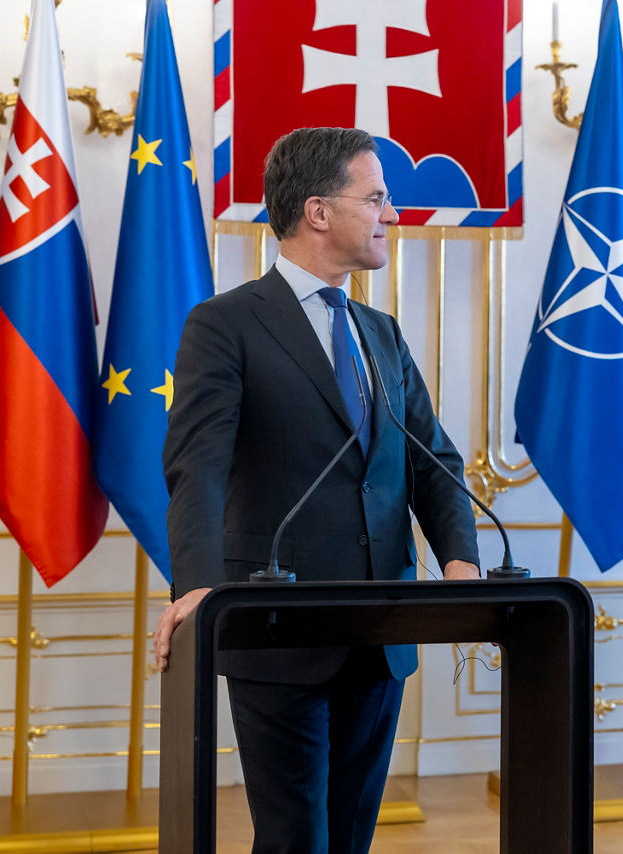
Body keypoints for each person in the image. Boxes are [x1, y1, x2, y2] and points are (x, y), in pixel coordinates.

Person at [151, 127, 481, 854]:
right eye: (377, 198)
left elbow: (433, 463)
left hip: (380, 630)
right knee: (297, 837)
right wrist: (205, 590)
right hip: (277, 626)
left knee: (354, 835)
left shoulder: (381, 333)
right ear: (319, 212)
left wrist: (461, 560)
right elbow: (195, 468)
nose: (393, 214)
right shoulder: (226, 325)